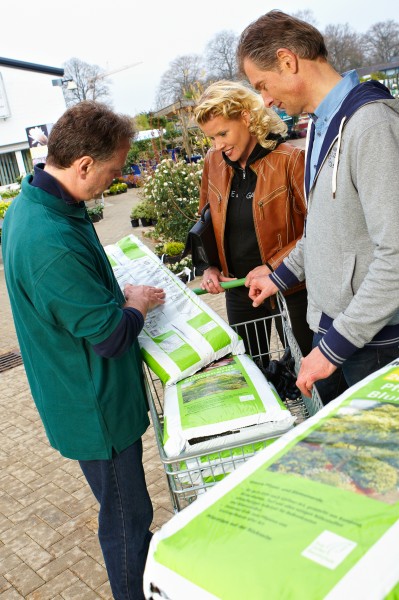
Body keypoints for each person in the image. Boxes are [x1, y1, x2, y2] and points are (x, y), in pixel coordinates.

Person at [2, 101, 165, 600]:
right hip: (95, 409)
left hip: (87, 394)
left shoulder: (44, 205)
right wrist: (134, 304)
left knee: (127, 514)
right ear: (84, 165)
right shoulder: (48, 240)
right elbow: (111, 336)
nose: (115, 183)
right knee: (126, 520)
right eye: (114, 172)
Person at [237, 10, 399, 402]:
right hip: (337, 337)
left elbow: (395, 254)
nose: (265, 100)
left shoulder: (371, 125)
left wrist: (333, 349)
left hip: (371, 347)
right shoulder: (321, 126)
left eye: (262, 84)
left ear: (287, 61)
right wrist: (278, 277)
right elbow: (326, 231)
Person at [194, 79, 313, 362]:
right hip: (238, 289)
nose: (218, 145)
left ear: (247, 117)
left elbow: (318, 227)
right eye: (211, 138)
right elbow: (206, 218)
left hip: (290, 287)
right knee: (251, 370)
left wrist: (274, 267)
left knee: (307, 373)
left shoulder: (290, 160)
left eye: (223, 133)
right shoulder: (213, 161)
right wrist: (209, 265)